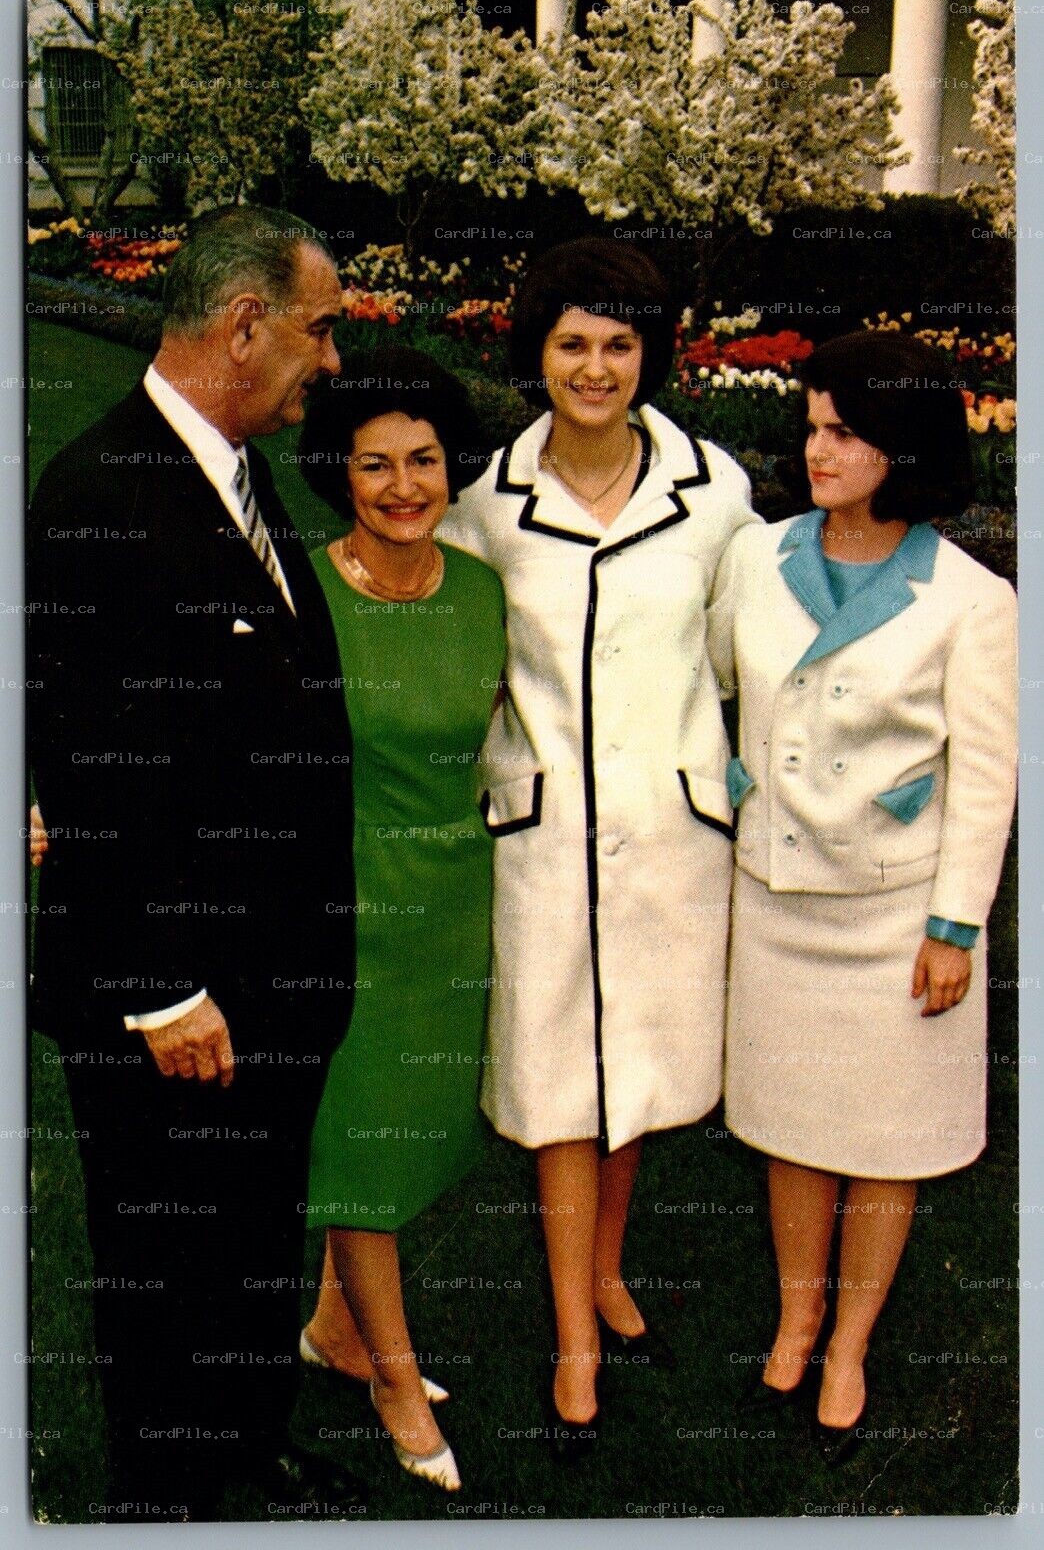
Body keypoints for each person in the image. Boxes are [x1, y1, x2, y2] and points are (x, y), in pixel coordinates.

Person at [28, 206, 364, 1520]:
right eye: (318, 330)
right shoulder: (102, 493)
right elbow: (91, 762)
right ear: (242, 325)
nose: (329, 362)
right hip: (175, 1005)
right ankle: (170, 1500)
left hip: (264, 985)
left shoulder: (231, 466)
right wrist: (163, 988)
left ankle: (244, 1457)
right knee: (171, 1263)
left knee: (244, 1247)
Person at [436, 238, 758, 1445]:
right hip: (543, 839)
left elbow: (738, 654)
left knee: (640, 1073)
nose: (596, 367)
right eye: (572, 342)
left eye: (620, 343)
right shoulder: (488, 507)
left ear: (650, 354)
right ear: (536, 350)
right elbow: (463, 666)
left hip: (670, 835)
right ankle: (575, 1326)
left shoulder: (714, 489)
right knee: (565, 1082)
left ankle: (610, 1267)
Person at [706, 330, 1018, 1463]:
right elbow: (713, 681)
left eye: (843, 429)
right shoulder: (757, 555)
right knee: (794, 1128)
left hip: (895, 918)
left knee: (883, 1139)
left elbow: (987, 777)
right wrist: (735, 781)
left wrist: (954, 927)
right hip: (779, 895)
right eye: (813, 424)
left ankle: (850, 1341)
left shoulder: (973, 600)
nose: (818, 446)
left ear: (907, 444)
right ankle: (795, 1318)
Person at [290, 350, 505, 1492]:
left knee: (407, 1141)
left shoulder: (482, 593)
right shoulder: (300, 593)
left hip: (450, 909)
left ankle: (333, 1326)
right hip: (339, 911)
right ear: (341, 472)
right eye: (375, 463)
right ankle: (393, 1376)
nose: (404, 485)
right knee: (362, 1151)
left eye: (423, 459)